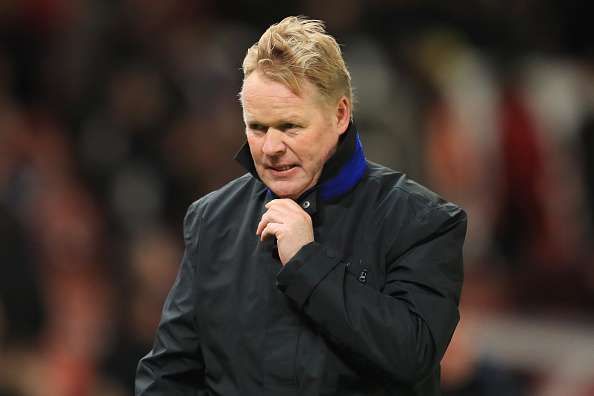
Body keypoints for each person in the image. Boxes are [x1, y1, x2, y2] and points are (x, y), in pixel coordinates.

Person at [135, 16, 467, 396]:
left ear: (340, 115)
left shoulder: (421, 221)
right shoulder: (213, 219)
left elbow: (412, 357)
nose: (271, 147)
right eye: (257, 128)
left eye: (290, 126)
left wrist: (307, 263)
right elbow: (167, 376)